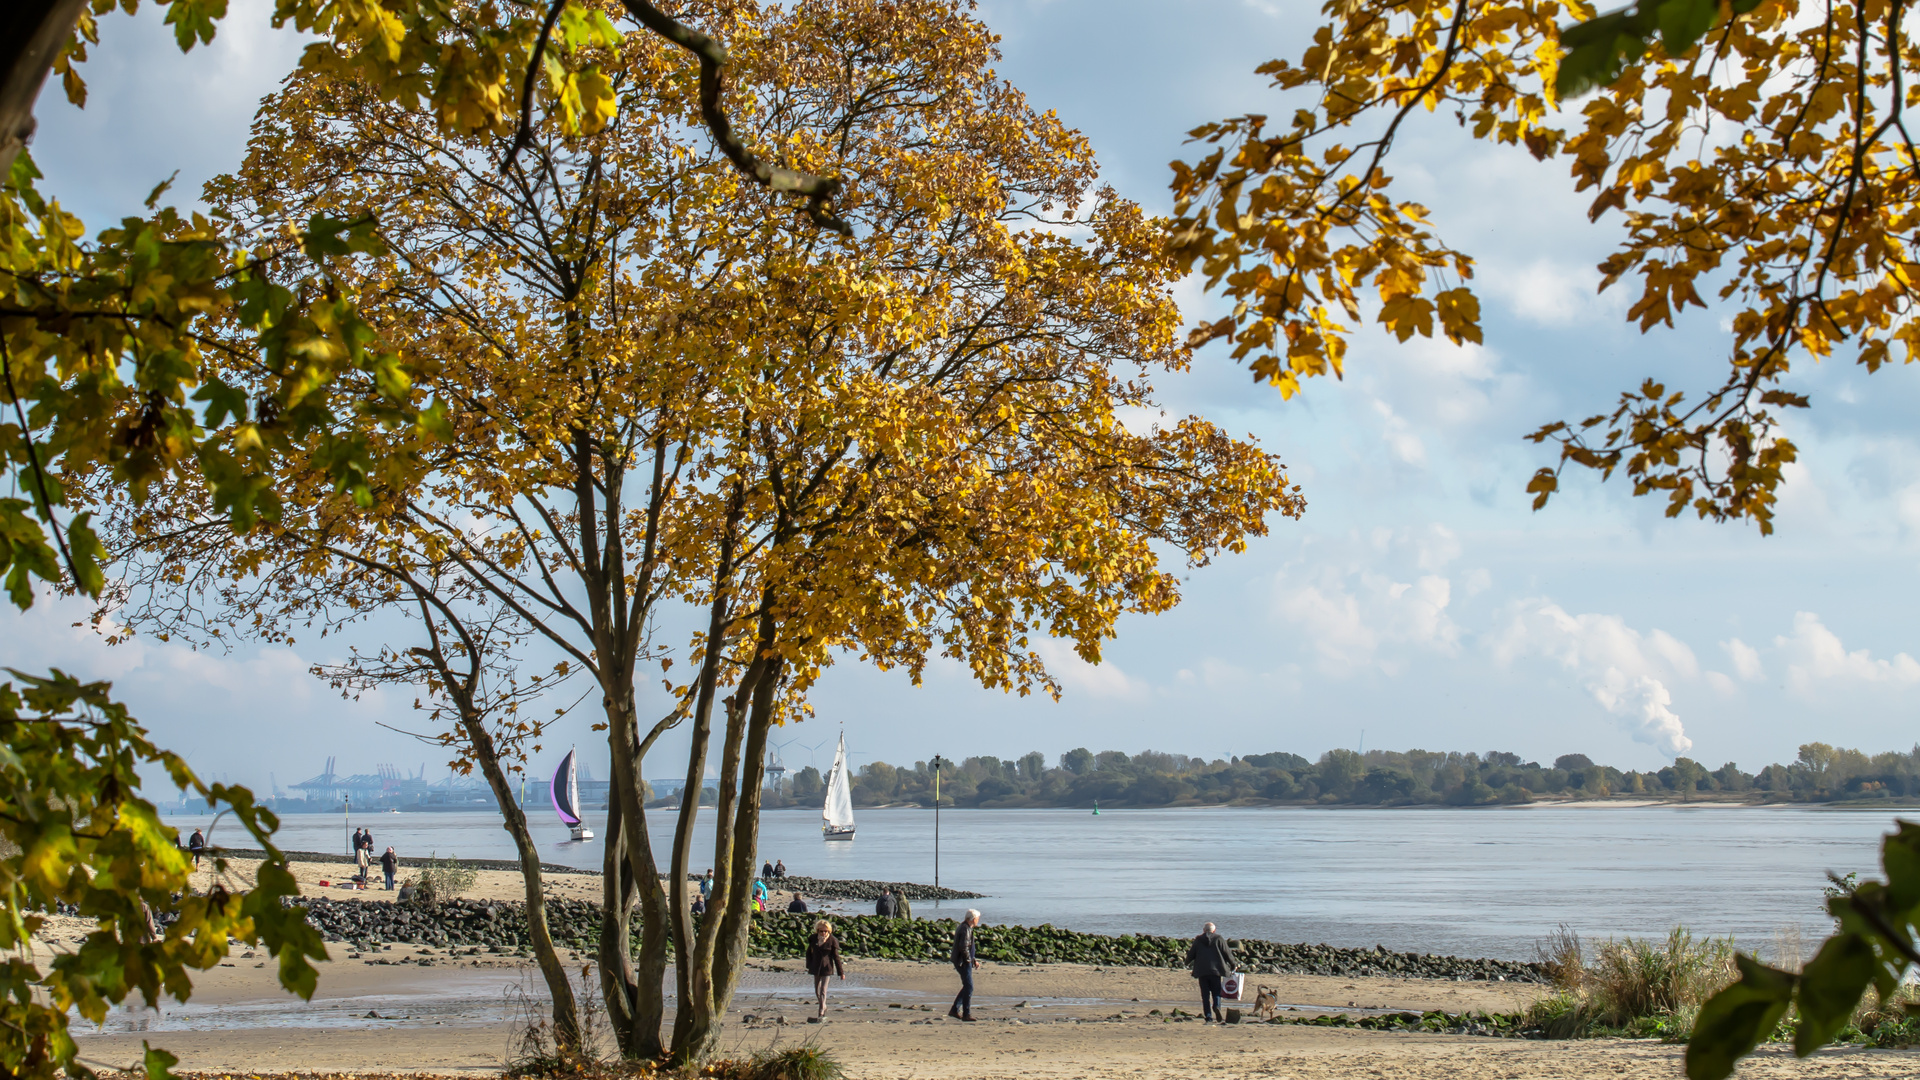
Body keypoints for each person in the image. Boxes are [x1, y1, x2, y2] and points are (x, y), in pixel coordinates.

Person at [1185, 921, 1238, 1023]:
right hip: (1216, 971)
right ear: (1214, 930)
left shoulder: (1198, 940)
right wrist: (1233, 965)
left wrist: (1186, 963)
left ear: (1204, 930)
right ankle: (1217, 1006)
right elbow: (1227, 953)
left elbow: (1191, 954)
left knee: (1205, 995)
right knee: (1216, 992)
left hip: (1202, 971)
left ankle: (1208, 1016)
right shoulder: (1219, 939)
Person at [805, 918, 845, 1019]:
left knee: (823, 990)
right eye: (821, 931)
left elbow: (836, 958)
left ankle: (821, 1011)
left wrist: (841, 973)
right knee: (817, 991)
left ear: (829, 931)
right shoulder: (813, 939)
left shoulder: (832, 941)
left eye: (825, 931)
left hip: (827, 968)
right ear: (818, 930)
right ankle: (824, 1005)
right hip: (815, 967)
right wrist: (809, 965)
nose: (823, 933)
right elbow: (808, 953)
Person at [949, 909, 980, 1021]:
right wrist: (968, 961)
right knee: (969, 987)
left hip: (964, 961)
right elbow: (964, 947)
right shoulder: (965, 929)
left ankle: (955, 1009)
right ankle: (965, 1013)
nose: (978, 921)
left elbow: (968, 947)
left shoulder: (966, 928)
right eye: (977, 918)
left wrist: (973, 960)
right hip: (962, 962)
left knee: (967, 986)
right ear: (973, 919)